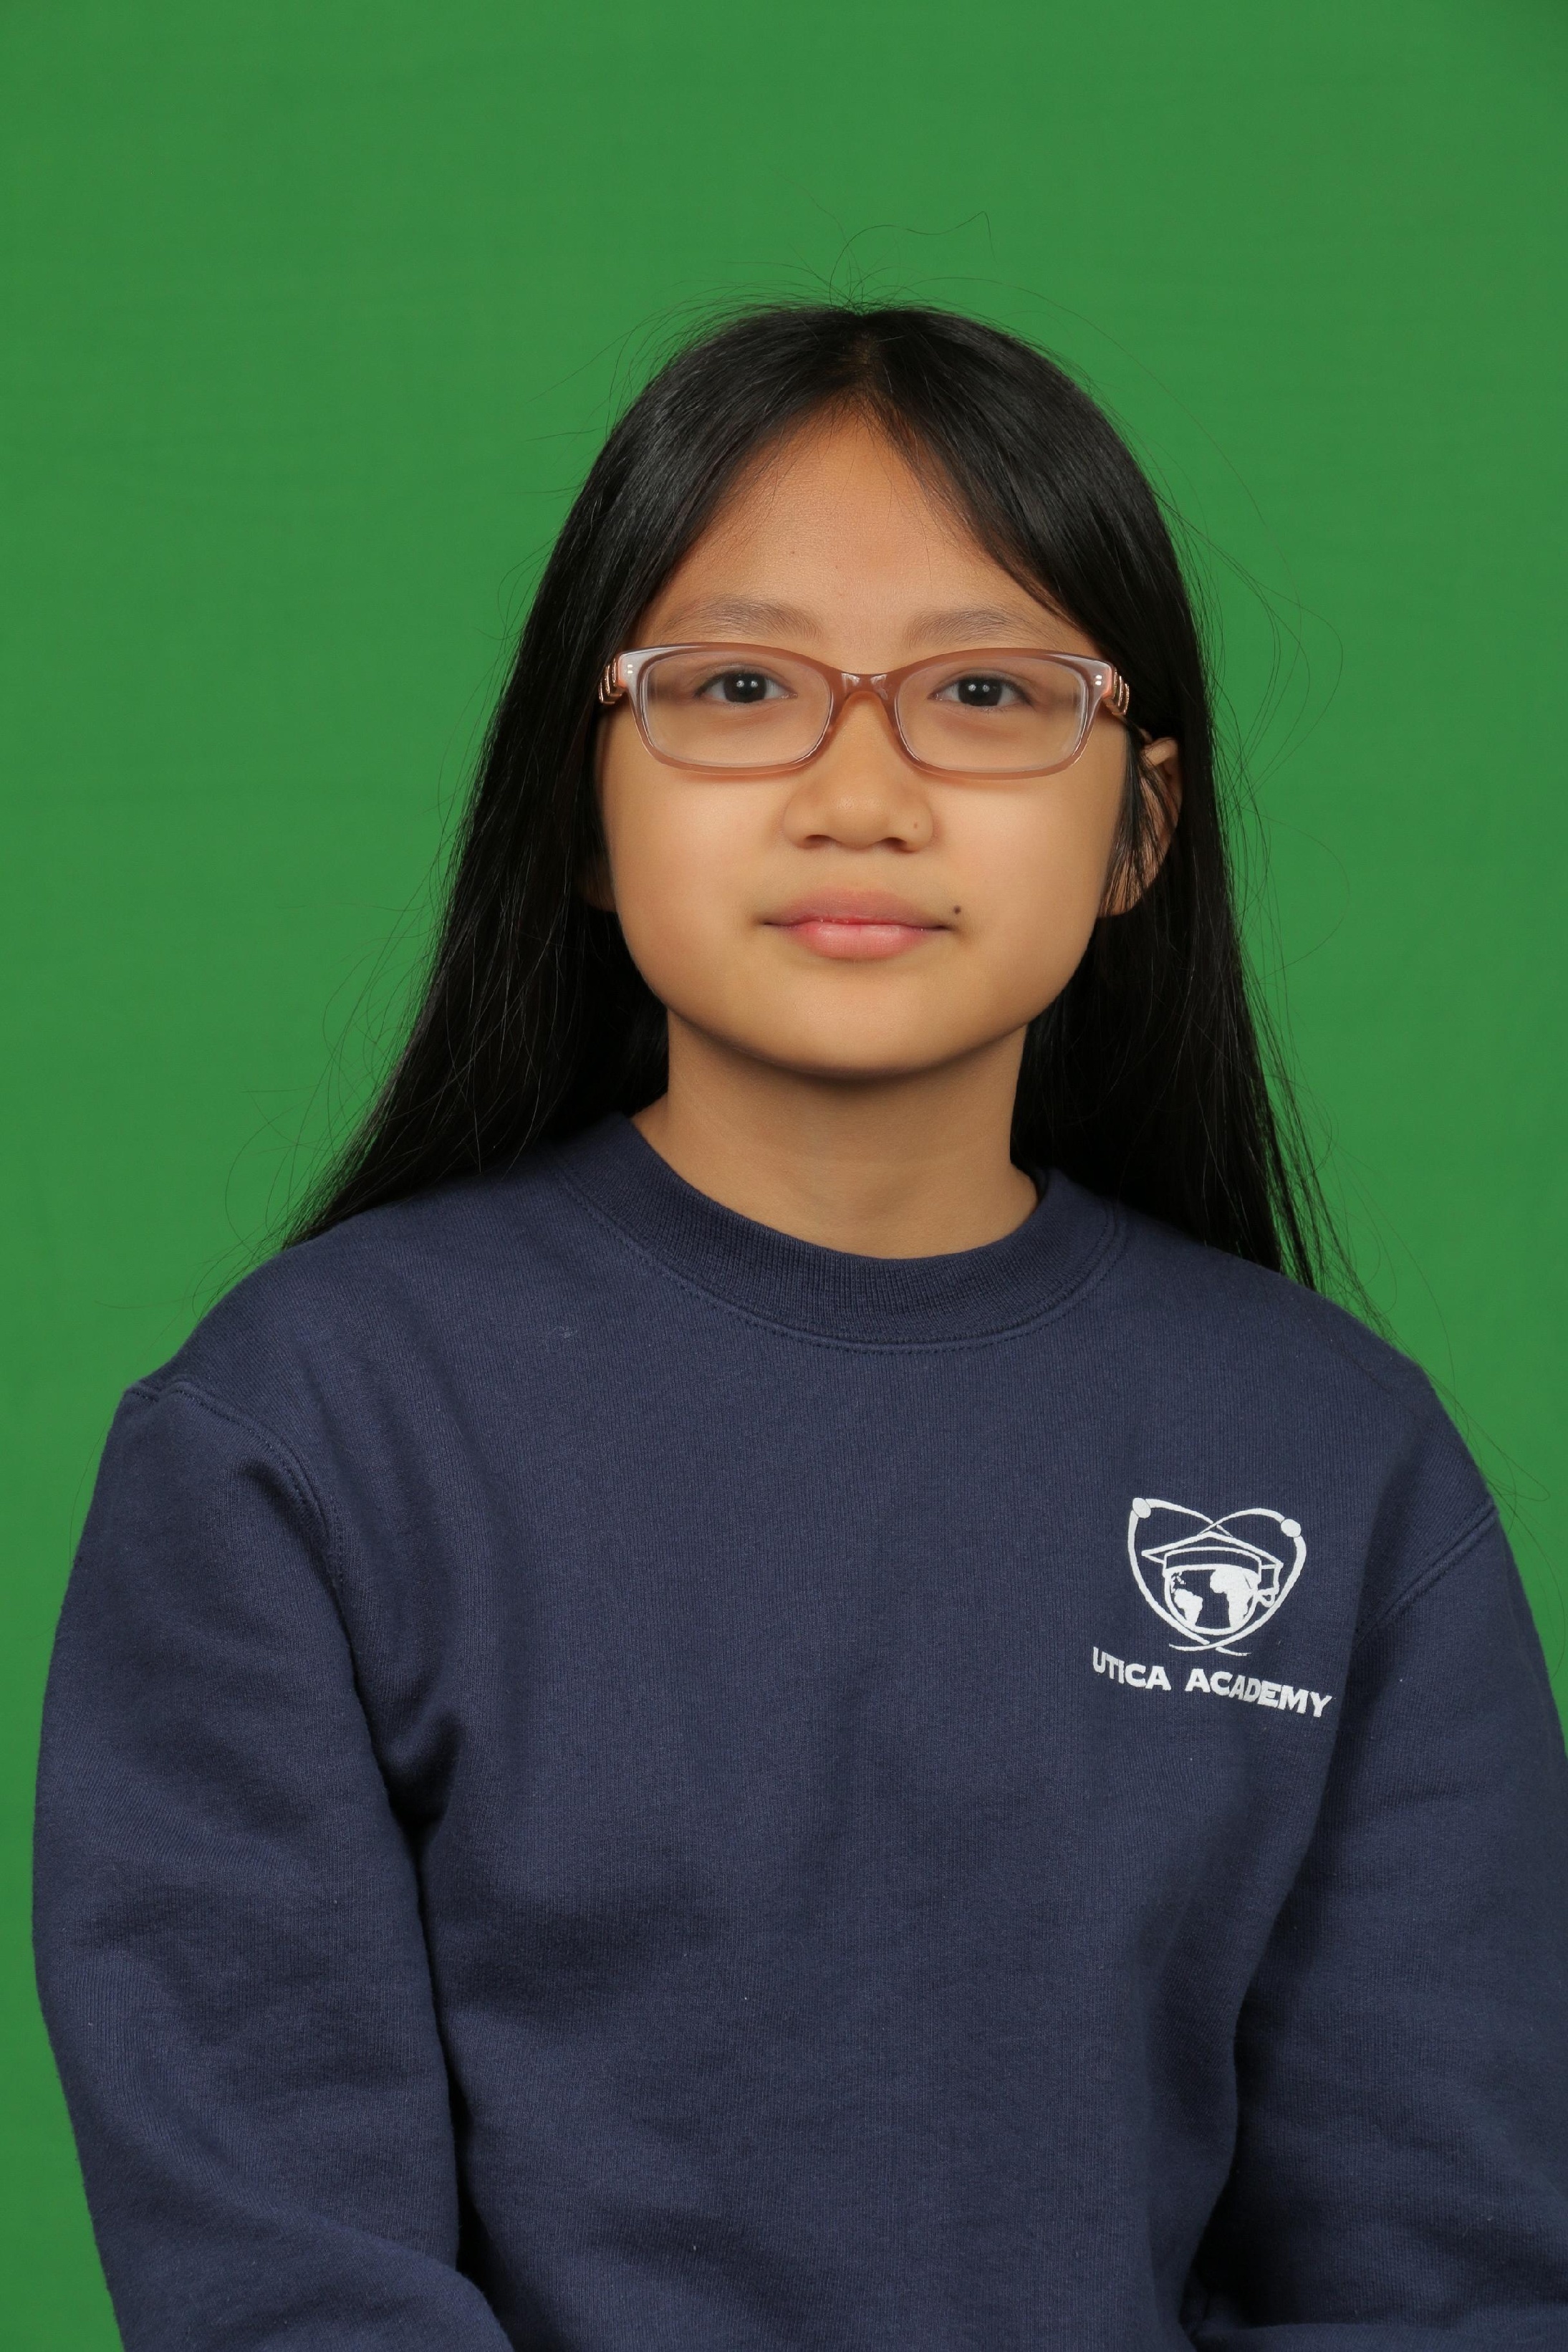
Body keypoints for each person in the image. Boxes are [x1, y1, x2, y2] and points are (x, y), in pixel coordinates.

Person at [34, 303, 1568, 2349]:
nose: (862, 793)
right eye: (740, 686)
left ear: (1140, 826)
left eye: (987, 692)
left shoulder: (1340, 1465)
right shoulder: (301, 1434)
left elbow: (1446, 2277)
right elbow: (287, 2284)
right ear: (581, 809)